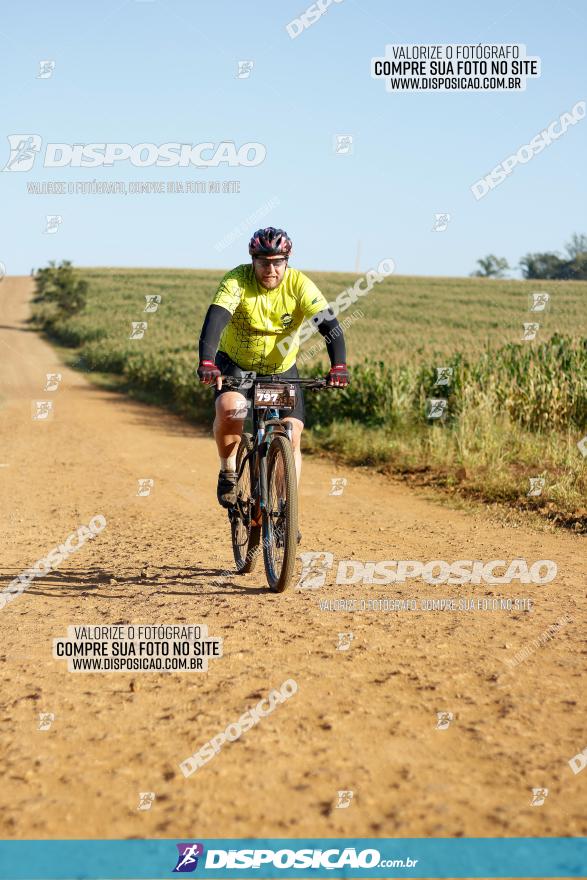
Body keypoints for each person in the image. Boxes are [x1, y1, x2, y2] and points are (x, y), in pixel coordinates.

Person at [197, 226, 349, 522]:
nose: (271, 269)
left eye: (277, 262)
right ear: (252, 260)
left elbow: (329, 326)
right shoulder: (237, 280)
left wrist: (338, 366)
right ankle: (228, 470)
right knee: (231, 409)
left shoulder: (299, 284)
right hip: (236, 363)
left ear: (287, 261)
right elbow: (215, 320)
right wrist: (207, 362)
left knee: (291, 433)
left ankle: (285, 515)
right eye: (264, 262)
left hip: (280, 369)